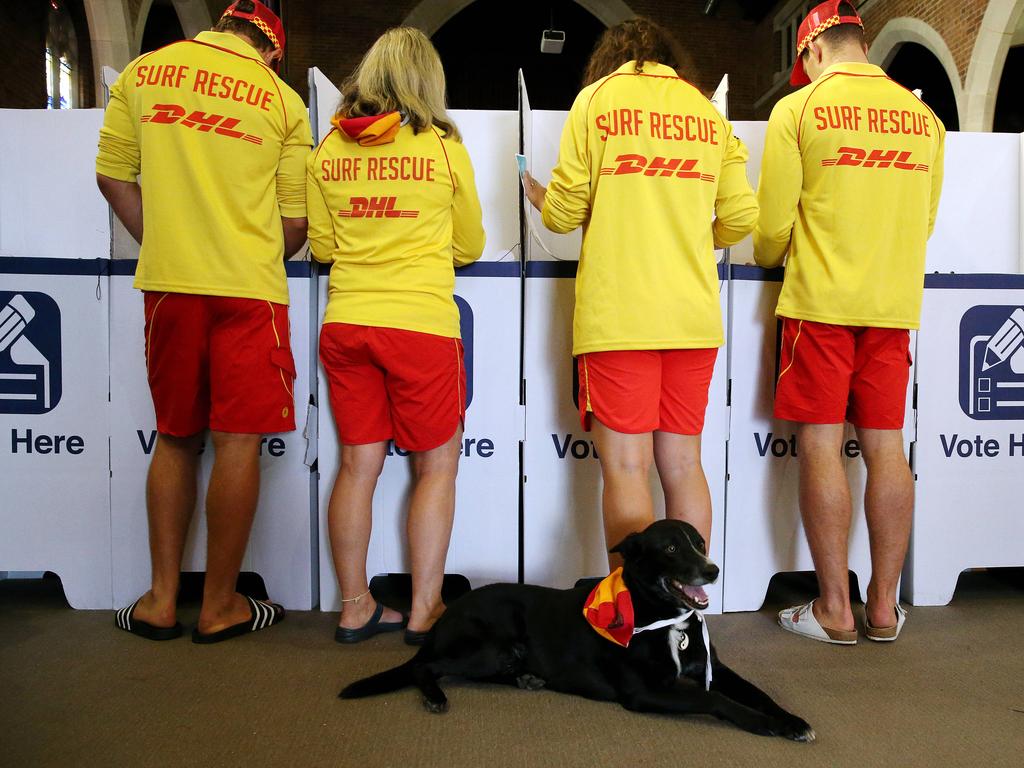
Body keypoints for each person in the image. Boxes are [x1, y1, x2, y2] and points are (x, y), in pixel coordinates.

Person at [96, 0, 313, 643]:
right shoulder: (282, 100)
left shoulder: (143, 72)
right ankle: (221, 607)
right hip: (249, 292)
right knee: (237, 443)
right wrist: (245, 253)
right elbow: (295, 225)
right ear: (271, 51)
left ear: (218, 27)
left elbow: (111, 176)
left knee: (173, 436)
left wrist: (160, 240)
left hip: (169, 285)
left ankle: (161, 600)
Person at [522, 18, 757, 564]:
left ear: (610, 59)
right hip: (692, 316)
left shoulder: (596, 101)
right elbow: (743, 216)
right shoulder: (706, 112)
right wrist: (695, 237)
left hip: (619, 317)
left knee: (627, 467)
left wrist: (538, 194)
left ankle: (630, 620)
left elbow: (562, 215)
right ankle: (686, 611)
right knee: (682, 465)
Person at [754, 1, 945, 644]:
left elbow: (772, 231)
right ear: (859, 42)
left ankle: (836, 609)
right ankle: (885, 609)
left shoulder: (799, 109)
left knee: (820, 446)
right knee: (888, 446)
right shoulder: (925, 119)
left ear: (810, 53)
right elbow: (923, 223)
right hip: (892, 307)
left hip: (820, 306)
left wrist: (772, 253)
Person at [306, 27, 485, 645]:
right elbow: (471, 245)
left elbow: (323, 247)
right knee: (437, 466)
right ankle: (425, 609)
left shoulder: (328, 147)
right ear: (427, 80)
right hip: (419, 328)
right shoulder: (442, 148)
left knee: (358, 466)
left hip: (347, 322)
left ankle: (355, 606)